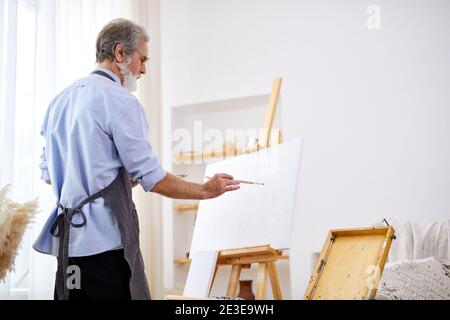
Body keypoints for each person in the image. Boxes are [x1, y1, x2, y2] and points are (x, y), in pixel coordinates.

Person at [33, 18, 240, 300]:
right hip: (104, 247)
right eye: (142, 59)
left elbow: (49, 175)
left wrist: (110, 180)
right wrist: (205, 190)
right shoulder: (120, 101)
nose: (143, 69)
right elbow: (153, 178)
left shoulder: (59, 101)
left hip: (69, 248)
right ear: (120, 53)